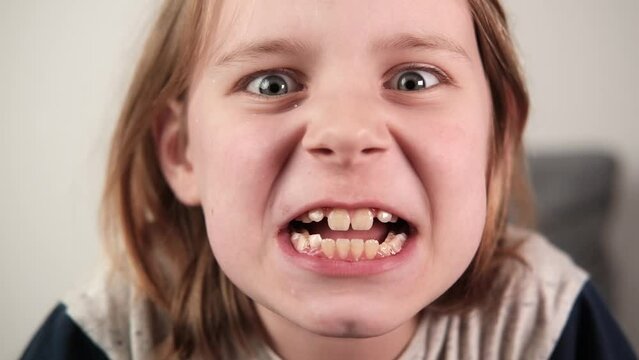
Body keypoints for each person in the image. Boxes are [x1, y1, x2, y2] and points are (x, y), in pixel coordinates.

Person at [22, 0, 637, 359]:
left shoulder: (544, 323)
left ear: (498, 141)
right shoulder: (111, 334)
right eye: (272, 84)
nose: (346, 131)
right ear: (183, 154)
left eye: (414, 79)